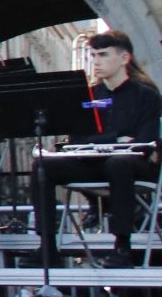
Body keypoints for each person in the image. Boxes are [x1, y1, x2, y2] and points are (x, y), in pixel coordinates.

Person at [34, 31, 161, 269]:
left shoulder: (147, 95)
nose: (96, 61)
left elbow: (145, 141)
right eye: (93, 55)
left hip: (134, 166)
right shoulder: (90, 97)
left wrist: (107, 142)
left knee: (118, 163)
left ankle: (122, 246)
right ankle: (47, 246)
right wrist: (116, 138)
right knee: (43, 165)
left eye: (103, 55)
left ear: (124, 58)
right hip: (96, 163)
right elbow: (78, 138)